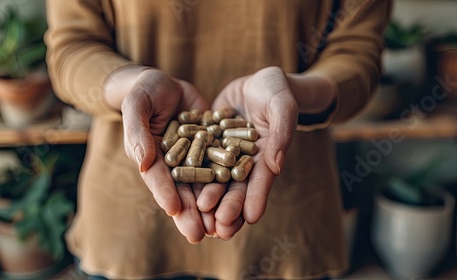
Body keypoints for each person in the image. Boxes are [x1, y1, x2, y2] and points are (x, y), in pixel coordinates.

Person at [45, 1, 392, 279]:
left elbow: (357, 52)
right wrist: (130, 87)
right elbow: (72, 48)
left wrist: (294, 93)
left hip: (285, 227)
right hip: (133, 228)